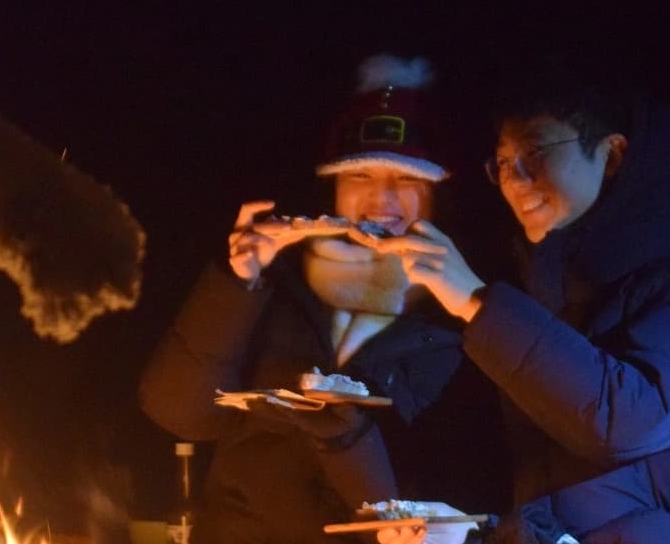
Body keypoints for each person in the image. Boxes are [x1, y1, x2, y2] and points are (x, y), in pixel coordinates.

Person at [371, 84, 670, 544]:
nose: (515, 179)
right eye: (503, 163)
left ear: (612, 155)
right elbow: (573, 503)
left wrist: (473, 300)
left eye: (536, 151)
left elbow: (628, 422)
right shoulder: (553, 301)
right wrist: (476, 534)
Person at [139, 54, 506, 544]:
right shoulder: (277, 284)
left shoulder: (461, 314)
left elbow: (467, 487)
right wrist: (236, 280)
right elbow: (179, 413)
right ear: (333, 188)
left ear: (439, 193)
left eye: (407, 178)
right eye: (360, 176)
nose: (382, 198)